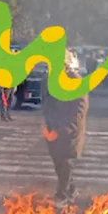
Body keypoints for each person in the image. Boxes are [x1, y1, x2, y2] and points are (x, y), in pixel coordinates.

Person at [42, 49, 89, 205]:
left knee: (66, 163)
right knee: (59, 164)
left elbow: (78, 111)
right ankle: (69, 190)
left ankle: (63, 196)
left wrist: (62, 129)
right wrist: (48, 124)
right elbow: (47, 103)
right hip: (54, 130)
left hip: (69, 133)